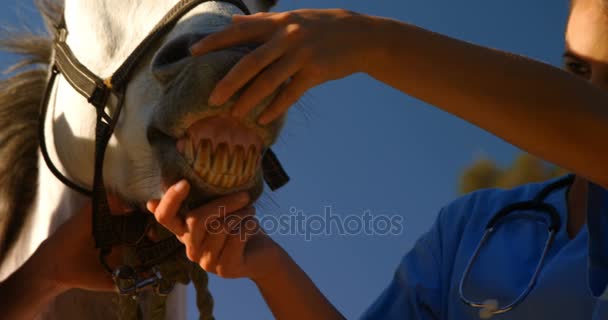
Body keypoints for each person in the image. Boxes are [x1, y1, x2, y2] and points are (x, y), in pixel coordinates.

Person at [4, 0, 608, 318]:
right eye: (576, 71)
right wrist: (266, 261)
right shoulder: (474, 229)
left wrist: (368, 41)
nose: (591, 93)